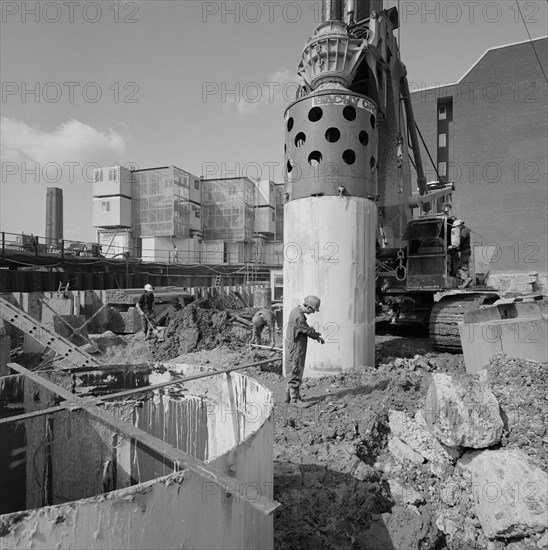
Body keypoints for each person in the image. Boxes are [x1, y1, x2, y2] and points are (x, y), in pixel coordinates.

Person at [285, 295, 325, 405]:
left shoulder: (295, 310)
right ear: (308, 307)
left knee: (291, 371)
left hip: (291, 344)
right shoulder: (300, 317)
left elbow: (303, 328)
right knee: (297, 370)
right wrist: (317, 336)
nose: (313, 313)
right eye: (313, 310)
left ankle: (288, 396)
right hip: (297, 346)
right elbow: (305, 329)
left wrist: (312, 332)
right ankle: (295, 400)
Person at [450, 220, 472, 288]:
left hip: (465, 251)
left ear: (460, 225)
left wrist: (453, 246)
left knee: (463, 266)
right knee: (462, 266)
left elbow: (460, 240)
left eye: (456, 227)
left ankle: (467, 279)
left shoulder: (464, 231)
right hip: (464, 251)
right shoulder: (462, 230)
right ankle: (466, 283)